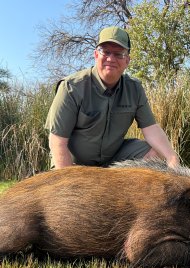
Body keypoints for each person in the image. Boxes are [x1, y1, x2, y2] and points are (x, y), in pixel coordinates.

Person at [45, 26, 179, 169]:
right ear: (96, 55)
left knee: (157, 154)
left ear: (127, 60)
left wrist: (172, 159)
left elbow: (151, 129)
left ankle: (122, 189)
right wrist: (69, 180)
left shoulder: (135, 89)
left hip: (114, 158)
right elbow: (57, 141)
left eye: (119, 54)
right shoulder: (71, 87)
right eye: (106, 52)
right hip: (75, 163)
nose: (111, 58)